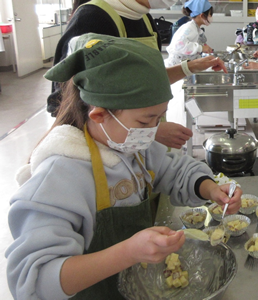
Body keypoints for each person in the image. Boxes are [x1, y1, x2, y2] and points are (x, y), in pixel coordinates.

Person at [6, 34, 242, 299]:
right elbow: (34, 280)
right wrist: (127, 252)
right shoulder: (59, 177)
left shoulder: (130, 146)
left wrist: (210, 188)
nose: (154, 131)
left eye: (158, 118)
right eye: (145, 122)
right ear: (99, 114)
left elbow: (172, 169)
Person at [48, 0, 227, 149]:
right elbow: (66, 104)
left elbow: (144, 81)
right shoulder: (93, 18)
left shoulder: (145, 20)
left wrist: (190, 67)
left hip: (140, 145)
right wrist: (148, 132)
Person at [164, 0, 214, 66]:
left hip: (182, 65)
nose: (211, 17)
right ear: (202, 15)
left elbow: (192, 44)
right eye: (210, 14)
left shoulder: (196, 28)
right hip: (175, 66)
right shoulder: (190, 28)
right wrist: (200, 48)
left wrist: (203, 47)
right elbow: (179, 45)